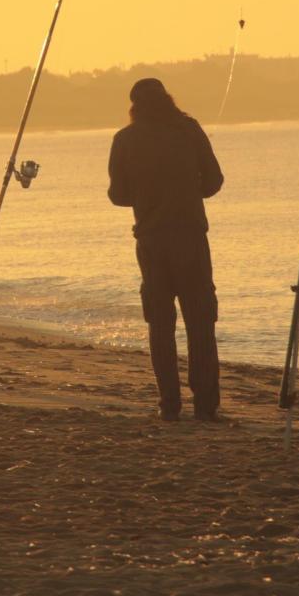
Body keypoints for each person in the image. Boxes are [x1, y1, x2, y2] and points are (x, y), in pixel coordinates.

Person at [108, 78, 225, 421]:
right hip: (191, 238)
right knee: (201, 322)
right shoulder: (189, 130)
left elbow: (118, 195)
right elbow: (215, 181)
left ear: (134, 106)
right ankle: (205, 405)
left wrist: (147, 197)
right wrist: (187, 193)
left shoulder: (125, 139)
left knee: (160, 324)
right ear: (168, 99)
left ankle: (169, 404)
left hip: (152, 241)